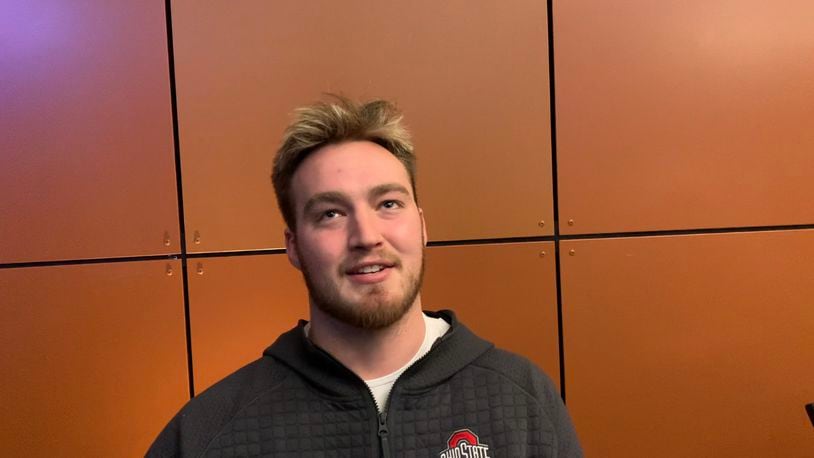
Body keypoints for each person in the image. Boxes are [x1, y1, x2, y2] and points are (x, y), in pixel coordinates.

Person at [148, 97, 582, 457]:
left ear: (422, 225)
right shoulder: (209, 434)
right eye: (330, 213)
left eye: (388, 204)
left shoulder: (524, 402)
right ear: (294, 245)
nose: (366, 236)